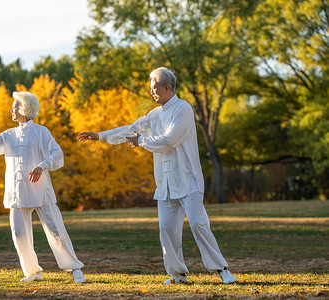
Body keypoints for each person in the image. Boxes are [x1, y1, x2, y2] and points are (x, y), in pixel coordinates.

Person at [78, 67, 236, 284]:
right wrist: (100, 136)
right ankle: (178, 274)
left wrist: (141, 142)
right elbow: (131, 129)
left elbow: (169, 140)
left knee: (199, 225)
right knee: (166, 229)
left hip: (188, 179)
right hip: (165, 183)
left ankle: (222, 269)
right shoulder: (153, 115)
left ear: (166, 87)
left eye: (154, 88)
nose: (152, 92)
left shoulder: (184, 109)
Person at [0, 91, 86, 283]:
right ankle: (33, 272)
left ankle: (75, 269)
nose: (11, 110)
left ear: (25, 108)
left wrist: (42, 166)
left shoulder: (41, 132)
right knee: (19, 234)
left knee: (56, 231)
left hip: (41, 191)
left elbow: (57, 154)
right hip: (17, 192)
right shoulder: (9, 135)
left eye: (15, 106)